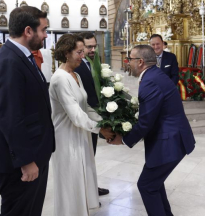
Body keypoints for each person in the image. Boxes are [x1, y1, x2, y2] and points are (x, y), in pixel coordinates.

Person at [0, 6, 55, 216]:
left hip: (30, 153)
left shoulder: (21, 57)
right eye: (43, 30)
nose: (46, 35)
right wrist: (26, 161)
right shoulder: (9, 62)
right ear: (28, 31)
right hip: (18, 160)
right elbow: (10, 117)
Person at [110, 45, 195, 216]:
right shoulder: (154, 75)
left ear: (140, 62)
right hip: (171, 138)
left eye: (130, 59)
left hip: (170, 141)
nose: (128, 63)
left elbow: (146, 122)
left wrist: (124, 139)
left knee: (147, 186)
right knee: (154, 184)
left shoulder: (150, 81)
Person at [49, 34, 114, 216]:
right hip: (66, 138)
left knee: (81, 179)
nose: (83, 55)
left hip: (81, 135)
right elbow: (76, 116)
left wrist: (106, 122)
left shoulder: (75, 74)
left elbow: (85, 107)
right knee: (70, 182)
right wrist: (100, 129)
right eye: (79, 52)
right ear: (66, 53)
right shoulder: (60, 78)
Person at [74, 31, 110, 196]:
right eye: (89, 47)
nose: (92, 50)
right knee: (84, 157)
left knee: (91, 154)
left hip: (95, 114)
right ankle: (86, 192)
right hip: (85, 116)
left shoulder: (93, 61)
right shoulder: (77, 65)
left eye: (94, 46)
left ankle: (91, 188)